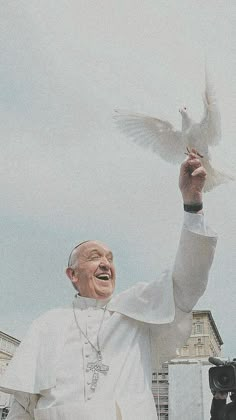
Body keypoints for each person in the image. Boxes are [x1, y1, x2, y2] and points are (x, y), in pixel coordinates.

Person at [0, 150, 217, 420]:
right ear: (72, 274)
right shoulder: (47, 325)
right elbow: (22, 407)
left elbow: (188, 281)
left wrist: (192, 205)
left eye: (110, 259)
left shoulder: (135, 312)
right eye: (94, 257)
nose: (105, 263)